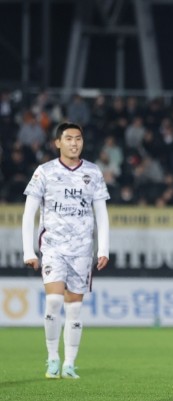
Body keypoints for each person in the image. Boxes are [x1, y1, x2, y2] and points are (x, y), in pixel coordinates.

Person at [22, 122, 110, 379]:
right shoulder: (44, 172)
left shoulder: (93, 172)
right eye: (69, 138)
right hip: (53, 247)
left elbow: (101, 214)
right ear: (58, 142)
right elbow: (29, 213)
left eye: (78, 138)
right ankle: (52, 358)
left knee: (74, 308)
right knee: (53, 300)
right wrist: (29, 251)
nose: (74, 143)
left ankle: (69, 363)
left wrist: (103, 248)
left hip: (82, 249)